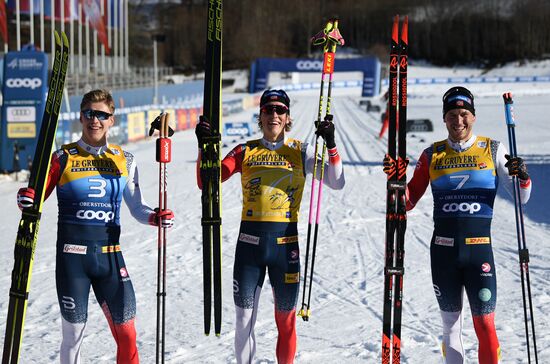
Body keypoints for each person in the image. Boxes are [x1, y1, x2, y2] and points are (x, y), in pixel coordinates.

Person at [16, 89, 174, 363]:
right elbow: (35, 197)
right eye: (90, 113)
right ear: (81, 116)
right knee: (73, 337)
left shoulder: (125, 159)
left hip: (111, 258)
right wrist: (25, 198)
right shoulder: (62, 157)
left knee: (128, 335)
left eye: (102, 115)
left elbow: (137, 207)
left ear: (112, 119)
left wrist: (155, 217)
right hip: (72, 261)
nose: (95, 120)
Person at [383, 86, 532, 363]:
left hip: (479, 254)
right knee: (451, 327)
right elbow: (408, 202)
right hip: (443, 254)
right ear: (444, 119)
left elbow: (522, 198)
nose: (458, 120)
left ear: (473, 117)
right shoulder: (432, 154)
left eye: (464, 114)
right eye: (452, 114)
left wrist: (521, 175)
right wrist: (396, 182)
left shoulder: (493, 149)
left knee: (485, 325)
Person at [195, 89, 345, 364]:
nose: (273, 115)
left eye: (279, 110)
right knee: (242, 321)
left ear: (287, 117)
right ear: (260, 115)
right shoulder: (245, 150)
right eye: (268, 110)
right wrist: (203, 148)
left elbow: (337, 181)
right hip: (249, 247)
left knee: (286, 321)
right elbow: (207, 181)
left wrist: (332, 144)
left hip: (285, 249)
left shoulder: (301, 150)